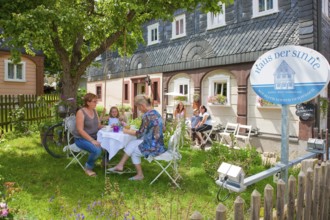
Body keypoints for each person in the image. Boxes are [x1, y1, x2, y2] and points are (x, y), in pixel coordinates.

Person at [108, 95, 166, 181]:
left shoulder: (146, 115)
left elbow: (139, 134)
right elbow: (164, 129)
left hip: (153, 147)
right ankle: (120, 165)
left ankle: (139, 175)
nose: (139, 110)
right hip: (159, 144)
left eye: (139, 108)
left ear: (142, 105)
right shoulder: (156, 112)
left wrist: (127, 131)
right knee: (132, 143)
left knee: (134, 152)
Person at [73, 93, 103, 176]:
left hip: (94, 136)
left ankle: (105, 162)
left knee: (108, 142)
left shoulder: (94, 111)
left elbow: (98, 126)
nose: (96, 103)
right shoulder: (81, 112)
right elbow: (80, 130)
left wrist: (109, 126)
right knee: (97, 150)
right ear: (88, 102)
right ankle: (88, 167)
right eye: (94, 101)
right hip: (81, 139)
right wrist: (92, 140)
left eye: (96, 101)